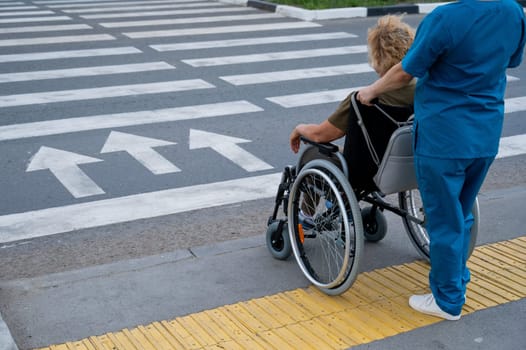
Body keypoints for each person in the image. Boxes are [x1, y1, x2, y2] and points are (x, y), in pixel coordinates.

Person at [358, 0, 526, 321]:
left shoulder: (444, 18)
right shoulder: (513, 11)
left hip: (444, 136)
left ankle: (447, 300)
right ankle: (457, 277)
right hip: (486, 133)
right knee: (461, 211)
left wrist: (370, 91)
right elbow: (510, 60)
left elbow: (406, 71)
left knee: (444, 219)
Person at [290, 15, 416, 195]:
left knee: (313, 154)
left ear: (378, 57)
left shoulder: (363, 100)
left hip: (366, 173)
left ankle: (306, 219)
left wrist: (299, 129)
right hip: (410, 169)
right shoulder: (423, 91)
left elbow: (320, 135)